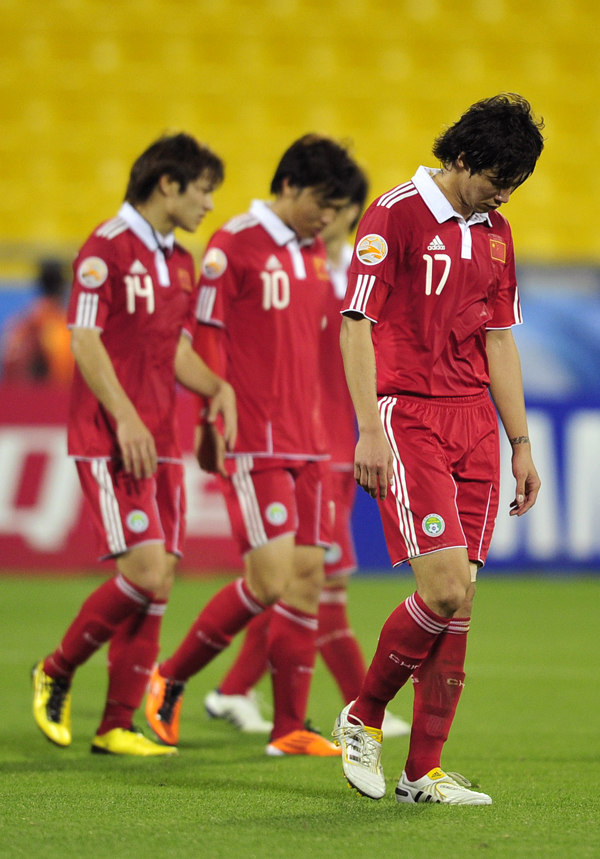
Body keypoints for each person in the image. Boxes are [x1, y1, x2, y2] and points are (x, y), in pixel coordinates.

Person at [332, 94, 544, 804]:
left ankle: (422, 771)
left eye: (515, 184)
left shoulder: (497, 232)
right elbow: (355, 324)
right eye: (496, 178)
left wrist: (520, 441)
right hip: (411, 414)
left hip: (475, 423)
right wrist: (367, 426)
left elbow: (500, 338)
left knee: (461, 604)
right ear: (462, 158)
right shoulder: (395, 212)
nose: (504, 193)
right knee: (443, 586)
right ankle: (363, 714)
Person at [145, 134, 363, 756]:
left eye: (336, 206)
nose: (327, 216)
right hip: (256, 438)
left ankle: (288, 727)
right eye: (321, 201)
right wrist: (210, 422)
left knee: (308, 579)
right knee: (269, 582)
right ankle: (171, 677)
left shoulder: (313, 254)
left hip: (311, 440)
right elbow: (204, 336)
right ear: (289, 185)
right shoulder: (233, 244)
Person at [32, 133, 236, 756]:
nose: (208, 204)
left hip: (161, 437)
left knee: (162, 579)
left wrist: (215, 388)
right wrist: (123, 417)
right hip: (113, 435)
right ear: (168, 184)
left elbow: (171, 347)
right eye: (202, 190)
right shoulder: (105, 247)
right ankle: (57, 669)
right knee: (143, 572)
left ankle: (116, 724)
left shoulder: (178, 260)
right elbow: (85, 338)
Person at [202, 170, 411, 738]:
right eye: (335, 203)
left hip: (331, 437)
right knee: (306, 582)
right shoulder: (325, 273)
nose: (337, 215)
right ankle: (353, 705)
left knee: (310, 583)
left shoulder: (341, 272)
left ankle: (236, 691)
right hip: (310, 438)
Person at [1, 258, 74, 386]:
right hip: (46, 397)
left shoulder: (23, 320)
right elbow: (61, 371)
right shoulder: (54, 323)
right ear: (63, 286)